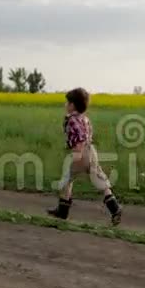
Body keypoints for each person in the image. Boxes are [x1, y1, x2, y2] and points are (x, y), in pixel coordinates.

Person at [47, 88, 123, 226]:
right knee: (99, 180)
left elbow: (79, 139)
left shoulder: (71, 120)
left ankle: (62, 211)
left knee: (67, 180)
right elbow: (88, 135)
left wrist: (77, 154)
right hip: (91, 151)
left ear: (72, 105)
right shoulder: (85, 119)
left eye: (67, 102)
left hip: (80, 152)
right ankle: (115, 208)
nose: (65, 105)